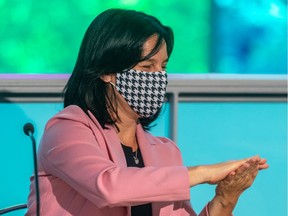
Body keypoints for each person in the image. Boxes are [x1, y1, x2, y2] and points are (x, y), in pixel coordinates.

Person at [26, 8, 268, 216]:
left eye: (163, 67)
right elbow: (109, 187)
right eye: (146, 67)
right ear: (107, 71)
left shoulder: (165, 152)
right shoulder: (66, 129)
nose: (158, 77)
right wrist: (204, 173)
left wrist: (226, 198)